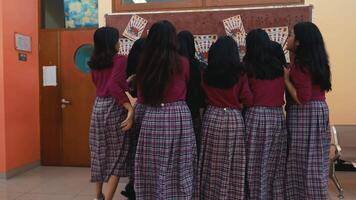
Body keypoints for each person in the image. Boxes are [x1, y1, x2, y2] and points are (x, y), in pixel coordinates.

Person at [134, 20, 197, 199]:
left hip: (153, 115)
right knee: (180, 163)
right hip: (178, 115)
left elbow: (142, 96)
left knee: (153, 164)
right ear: (173, 39)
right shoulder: (183, 63)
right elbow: (184, 84)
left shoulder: (145, 63)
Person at [198, 36, 253, 200]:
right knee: (232, 161)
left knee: (211, 161)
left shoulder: (206, 73)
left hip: (212, 117)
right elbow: (248, 99)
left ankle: (210, 194)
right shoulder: (240, 74)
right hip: (233, 119)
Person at [284, 22, 332, 200]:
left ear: (299, 42)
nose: (287, 38)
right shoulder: (317, 61)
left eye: (291, 35)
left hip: (306, 114)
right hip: (318, 111)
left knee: (304, 162)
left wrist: (286, 79)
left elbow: (302, 98)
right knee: (315, 161)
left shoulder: (301, 65)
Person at [88, 27, 134, 200]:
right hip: (114, 107)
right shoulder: (120, 59)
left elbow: (106, 83)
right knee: (118, 155)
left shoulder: (93, 62)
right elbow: (113, 86)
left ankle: (98, 195)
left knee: (99, 151)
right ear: (112, 42)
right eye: (117, 39)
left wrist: (126, 83)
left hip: (98, 107)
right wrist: (129, 108)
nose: (119, 42)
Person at [243, 29, 287, 200]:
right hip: (277, 116)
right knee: (275, 164)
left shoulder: (248, 66)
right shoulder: (278, 66)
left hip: (255, 116)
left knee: (254, 164)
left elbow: (246, 96)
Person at [177, 30, 205, 154]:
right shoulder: (198, 65)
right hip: (193, 111)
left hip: (177, 111)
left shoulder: (173, 64)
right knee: (193, 148)